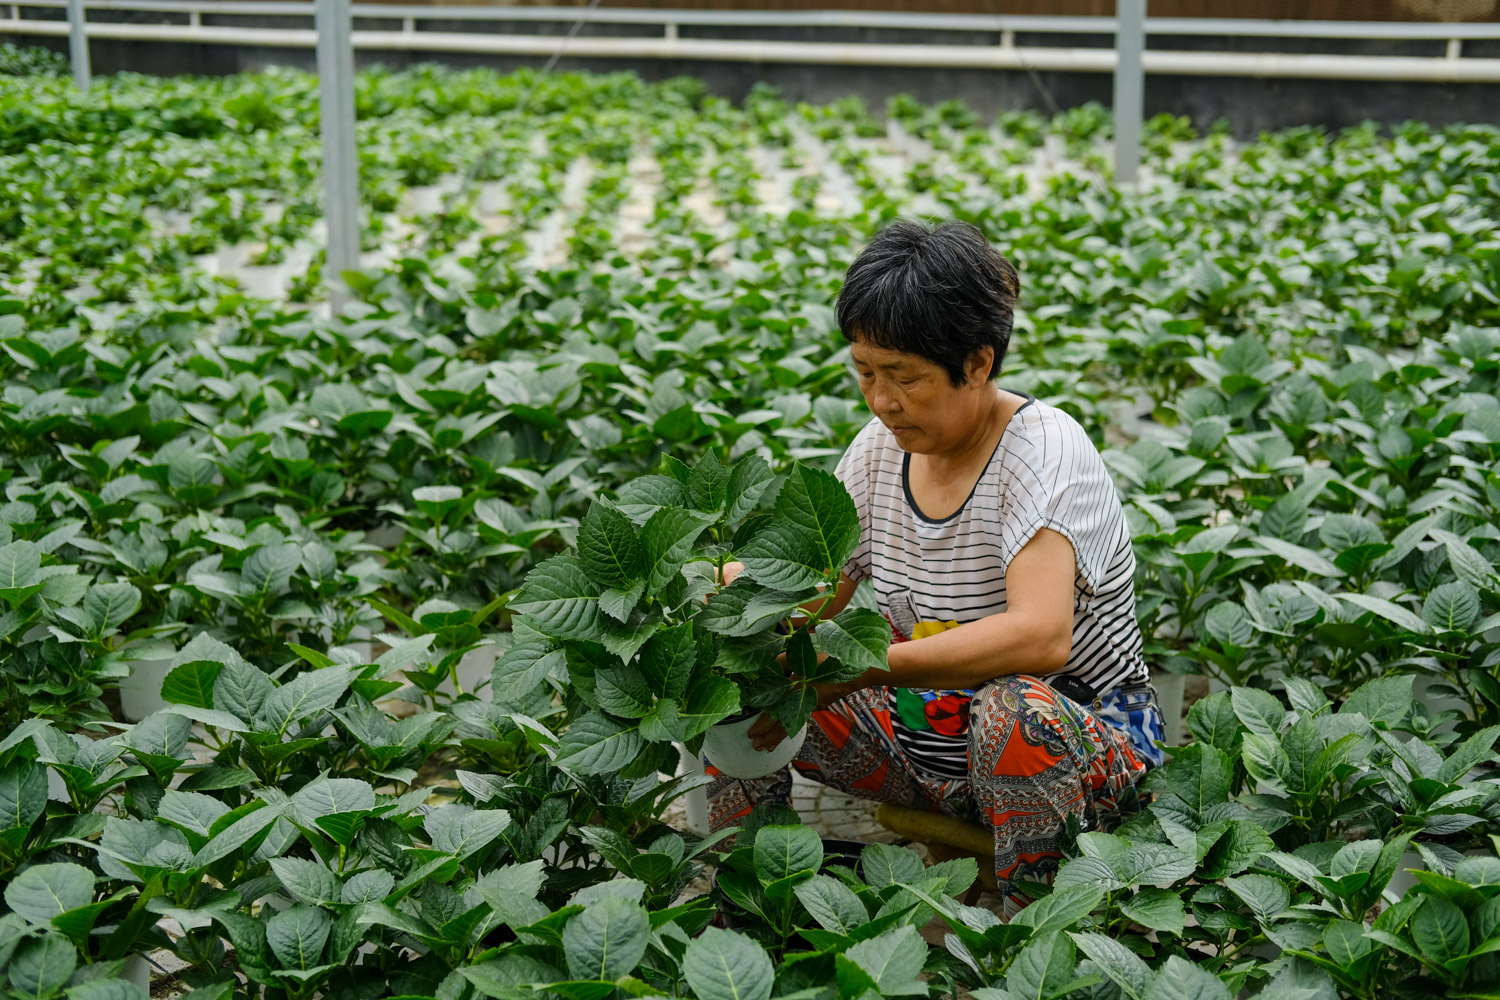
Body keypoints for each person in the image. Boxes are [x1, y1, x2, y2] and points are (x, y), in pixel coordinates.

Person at [708, 218, 1166, 920]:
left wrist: (861, 670)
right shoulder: (877, 451)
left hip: (1069, 748)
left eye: (904, 377)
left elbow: (1041, 639)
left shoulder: (1045, 453)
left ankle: (1033, 932)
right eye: (864, 371)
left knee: (1014, 713)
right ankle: (751, 906)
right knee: (741, 679)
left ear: (977, 364)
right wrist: (743, 606)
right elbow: (821, 596)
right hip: (922, 742)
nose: (881, 399)